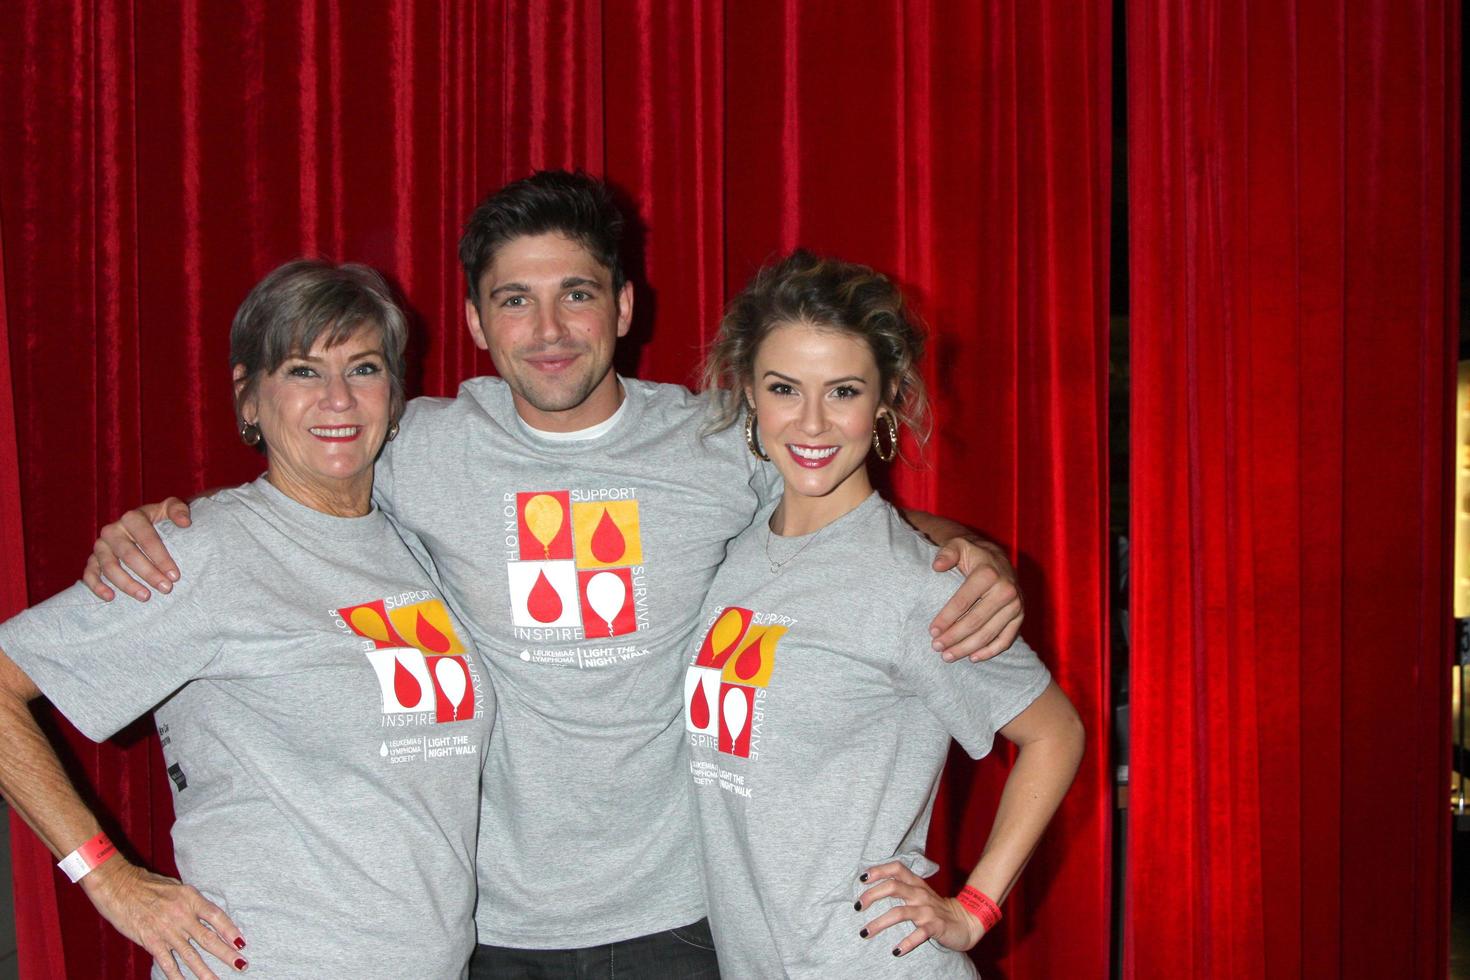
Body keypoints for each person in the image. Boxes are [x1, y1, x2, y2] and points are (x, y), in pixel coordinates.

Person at [82, 171, 1026, 977]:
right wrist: (158, 524)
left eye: (576, 294)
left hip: (682, 913)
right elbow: (301, 478)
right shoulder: (418, 445)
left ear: (622, 306)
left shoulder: (713, 440)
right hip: (484, 925)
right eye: (513, 299)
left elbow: (832, 497)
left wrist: (952, 546)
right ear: (473, 319)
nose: (548, 329)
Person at [0, 261, 493, 979]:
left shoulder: (412, 542)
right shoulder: (204, 552)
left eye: (362, 368)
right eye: (301, 370)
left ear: (394, 393)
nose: (337, 397)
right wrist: (107, 878)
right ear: (249, 399)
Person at [688, 249, 1084, 977]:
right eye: (784, 388)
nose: (811, 421)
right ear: (748, 391)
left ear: (885, 399)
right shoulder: (733, 550)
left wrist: (974, 910)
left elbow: (1056, 734)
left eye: (842, 391)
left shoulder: (917, 584)